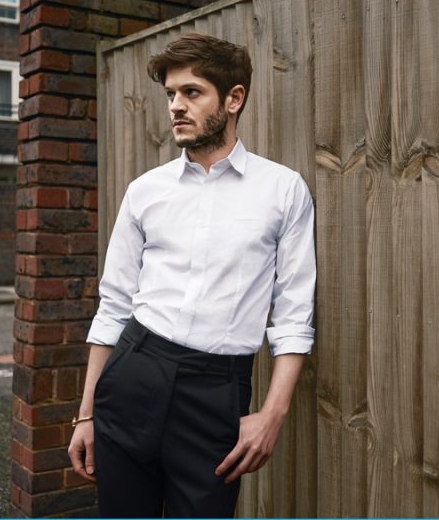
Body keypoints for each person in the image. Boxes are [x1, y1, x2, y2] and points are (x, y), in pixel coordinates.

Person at [67, 33, 316, 518]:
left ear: (234, 99)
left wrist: (272, 414)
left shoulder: (283, 191)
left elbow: (293, 314)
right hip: (135, 373)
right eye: (170, 95)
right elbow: (114, 305)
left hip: (216, 393)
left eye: (192, 92)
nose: (176, 106)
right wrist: (87, 413)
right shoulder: (145, 192)